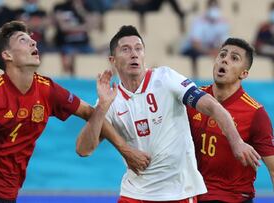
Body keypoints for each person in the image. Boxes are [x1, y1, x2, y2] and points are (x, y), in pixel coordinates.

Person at [0, 21, 150, 203]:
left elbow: (89, 113)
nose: (34, 43)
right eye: (24, 40)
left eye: (33, 40)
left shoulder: (47, 89)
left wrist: (125, 148)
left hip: (7, 194)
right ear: (7, 56)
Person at [76, 25, 261, 202]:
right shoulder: (111, 99)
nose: (134, 54)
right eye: (125, 49)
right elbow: (83, 150)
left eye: (138, 48)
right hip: (134, 192)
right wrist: (101, 107)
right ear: (112, 60)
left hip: (178, 192)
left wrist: (236, 142)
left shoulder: (165, 79)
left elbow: (212, 106)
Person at [187, 38, 274, 202]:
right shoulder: (193, 98)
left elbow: (273, 168)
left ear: (244, 73)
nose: (225, 60)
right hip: (193, 195)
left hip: (233, 198)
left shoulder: (255, 113)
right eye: (222, 55)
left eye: (234, 58)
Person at [181, 0, 229, 78]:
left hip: (209, 49)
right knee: (194, 53)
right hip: (192, 49)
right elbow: (195, 43)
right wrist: (209, 52)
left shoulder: (223, 23)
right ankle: (195, 77)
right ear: (207, 8)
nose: (214, 9)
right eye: (212, 6)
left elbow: (223, 43)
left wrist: (216, 51)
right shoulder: (199, 21)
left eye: (215, 7)